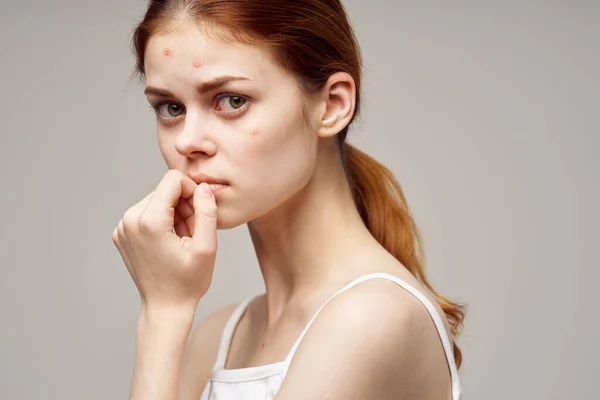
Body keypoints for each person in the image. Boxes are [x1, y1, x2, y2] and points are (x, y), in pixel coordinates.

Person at [112, 1, 466, 399]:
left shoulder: (372, 317)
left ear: (332, 105)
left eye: (231, 100)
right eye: (171, 108)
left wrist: (163, 312)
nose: (187, 141)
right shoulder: (220, 337)